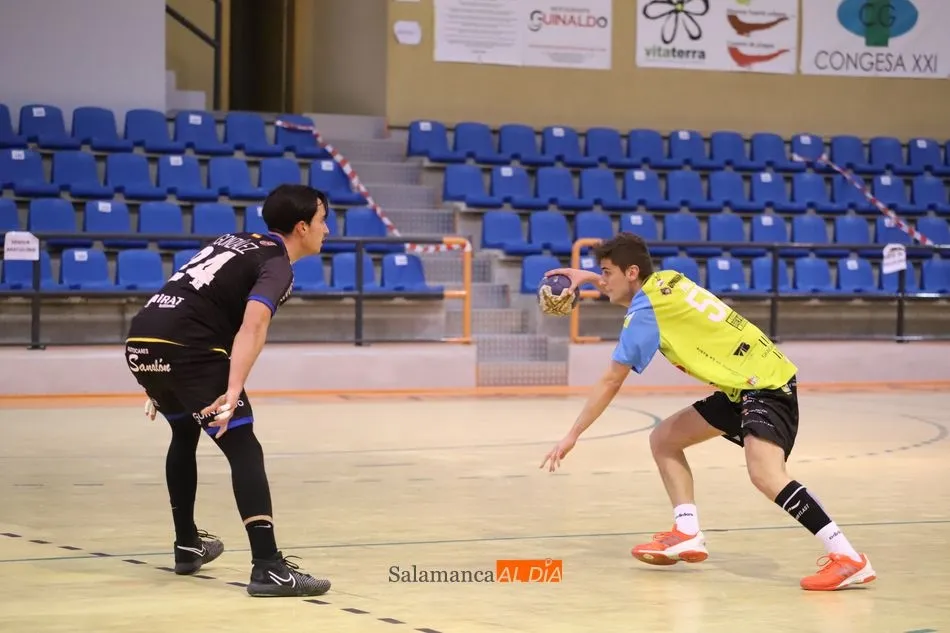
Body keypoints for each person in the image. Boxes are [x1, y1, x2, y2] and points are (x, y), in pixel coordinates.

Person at [538, 232, 876, 592]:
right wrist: (588, 277)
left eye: (607, 272)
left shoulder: (645, 314)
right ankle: (687, 532)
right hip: (743, 384)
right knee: (665, 439)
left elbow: (610, 380)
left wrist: (572, 435)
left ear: (632, 271)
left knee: (766, 475)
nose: (602, 281)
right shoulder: (667, 280)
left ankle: (847, 557)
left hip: (763, 384)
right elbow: (634, 292)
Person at [124, 183, 332, 597]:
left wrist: (161, 376)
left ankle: (188, 544)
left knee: (184, 431)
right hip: (186, 348)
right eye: (323, 221)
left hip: (143, 341)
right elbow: (253, 325)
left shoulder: (232, 240)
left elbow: (186, 294)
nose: (327, 230)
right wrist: (233, 389)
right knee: (243, 446)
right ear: (302, 227)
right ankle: (268, 567)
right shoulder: (277, 264)